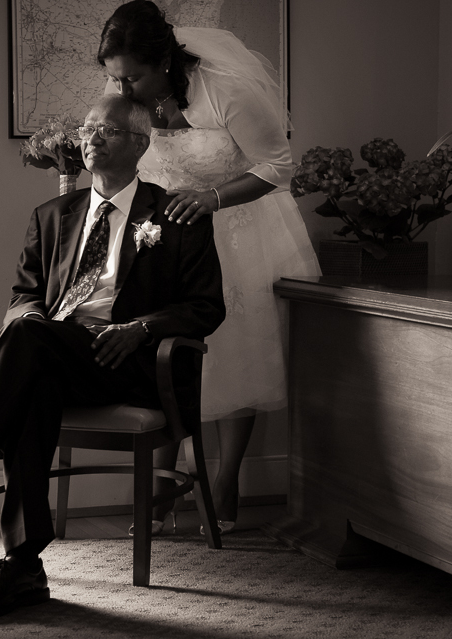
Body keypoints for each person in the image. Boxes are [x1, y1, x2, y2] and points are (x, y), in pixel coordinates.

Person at [0, 94, 226, 619]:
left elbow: (205, 307)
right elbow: (24, 295)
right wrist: (31, 317)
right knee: (28, 354)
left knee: (24, 348)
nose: (90, 140)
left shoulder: (174, 216)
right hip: (55, 355)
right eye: (86, 131)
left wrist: (142, 327)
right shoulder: (52, 214)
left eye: (104, 131)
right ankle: (22, 565)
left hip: (129, 363)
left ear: (139, 143)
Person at [97, 0, 321, 534]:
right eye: (115, 79)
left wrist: (214, 199)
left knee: (236, 354)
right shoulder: (126, 98)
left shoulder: (226, 90)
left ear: (163, 63)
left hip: (237, 231)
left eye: (132, 78)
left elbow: (281, 166)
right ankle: (159, 491)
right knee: (160, 354)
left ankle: (225, 486)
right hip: (165, 238)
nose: (122, 91)